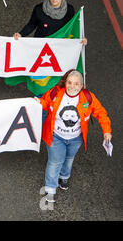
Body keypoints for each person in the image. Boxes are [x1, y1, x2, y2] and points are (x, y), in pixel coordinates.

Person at [34, 70, 112, 203]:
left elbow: (101, 113)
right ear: (65, 82)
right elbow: (45, 103)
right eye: (69, 82)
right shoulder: (56, 93)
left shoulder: (88, 97)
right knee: (55, 161)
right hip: (55, 136)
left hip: (76, 138)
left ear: (81, 85)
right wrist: (38, 102)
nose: (72, 86)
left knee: (69, 157)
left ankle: (64, 176)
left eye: (76, 84)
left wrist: (106, 131)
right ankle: (50, 189)